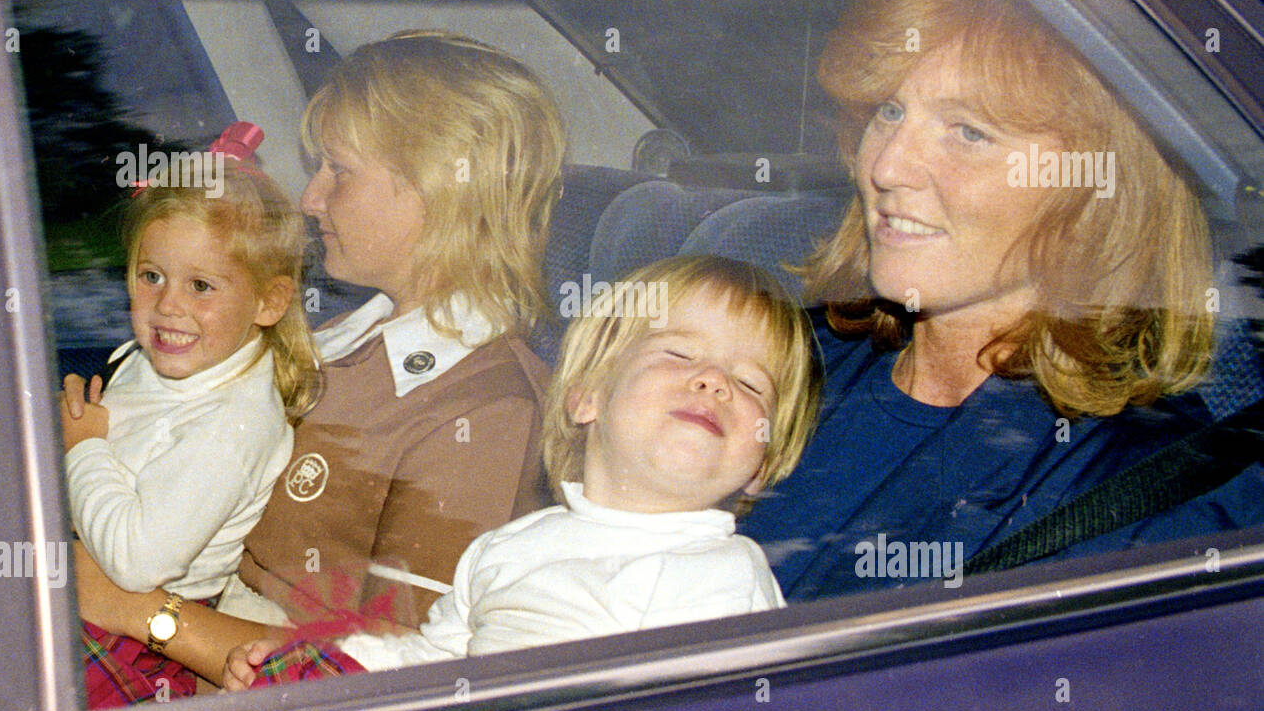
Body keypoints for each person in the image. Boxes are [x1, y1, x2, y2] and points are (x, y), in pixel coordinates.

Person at [741, 0, 1261, 599]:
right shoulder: (780, 365)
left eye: (969, 132)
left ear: (1093, 187)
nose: (888, 166)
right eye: (888, 112)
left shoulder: (1144, 495)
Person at [70, 31, 566, 693]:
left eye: (339, 171)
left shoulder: (487, 412)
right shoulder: (340, 336)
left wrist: (139, 613)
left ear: (440, 187)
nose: (309, 199)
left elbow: (397, 670)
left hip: (231, 692)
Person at [222, 255, 823, 687]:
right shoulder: (509, 545)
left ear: (762, 463)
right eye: (679, 353)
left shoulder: (719, 577)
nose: (713, 381)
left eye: (751, 384)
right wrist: (328, 664)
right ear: (587, 396)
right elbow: (437, 660)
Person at [66, 122, 314, 708]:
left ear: (268, 302)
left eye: (201, 285)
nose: (168, 305)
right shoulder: (169, 359)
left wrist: (82, 447)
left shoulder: (232, 426)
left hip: (123, 643)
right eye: (151, 276)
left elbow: (136, 563)